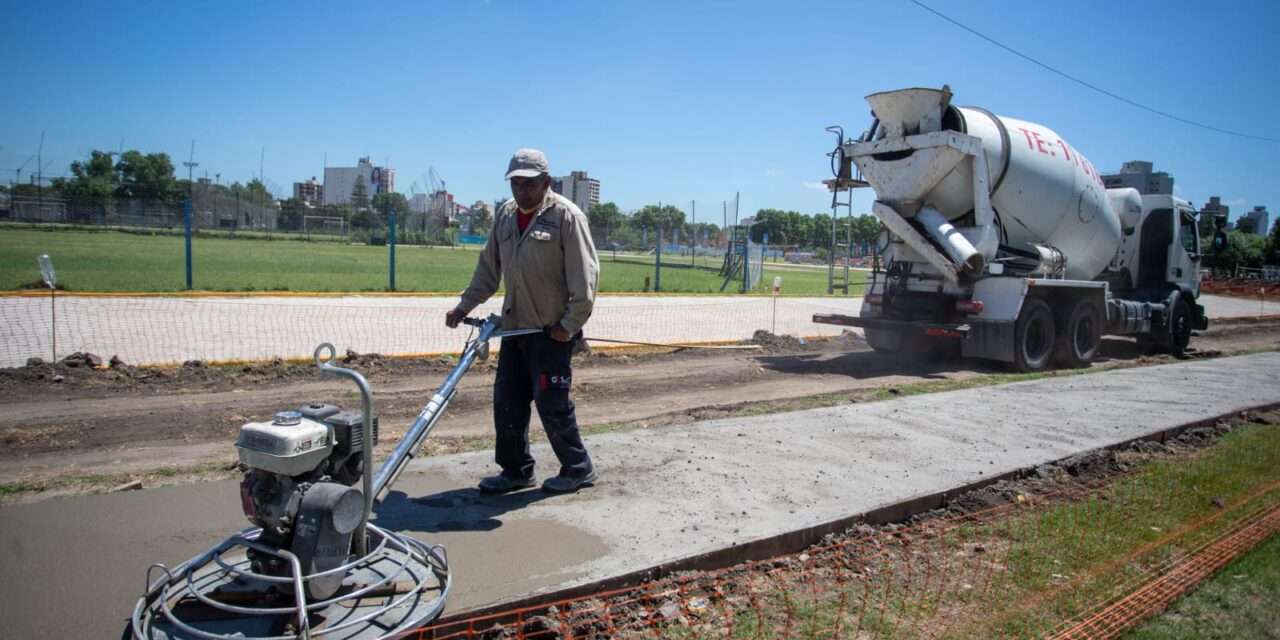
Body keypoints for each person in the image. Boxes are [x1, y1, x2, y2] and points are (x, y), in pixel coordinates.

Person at [445, 148, 600, 494]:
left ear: (546, 182)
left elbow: (585, 278)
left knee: (552, 404)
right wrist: (463, 306)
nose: (522, 191)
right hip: (514, 330)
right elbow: (488, 269)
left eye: (529, 184)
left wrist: (569, 326)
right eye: (516, 184)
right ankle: (516, 471)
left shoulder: (566, 217)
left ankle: (578, 468)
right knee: (507, 402)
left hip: (551, 334)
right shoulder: (505, 216)